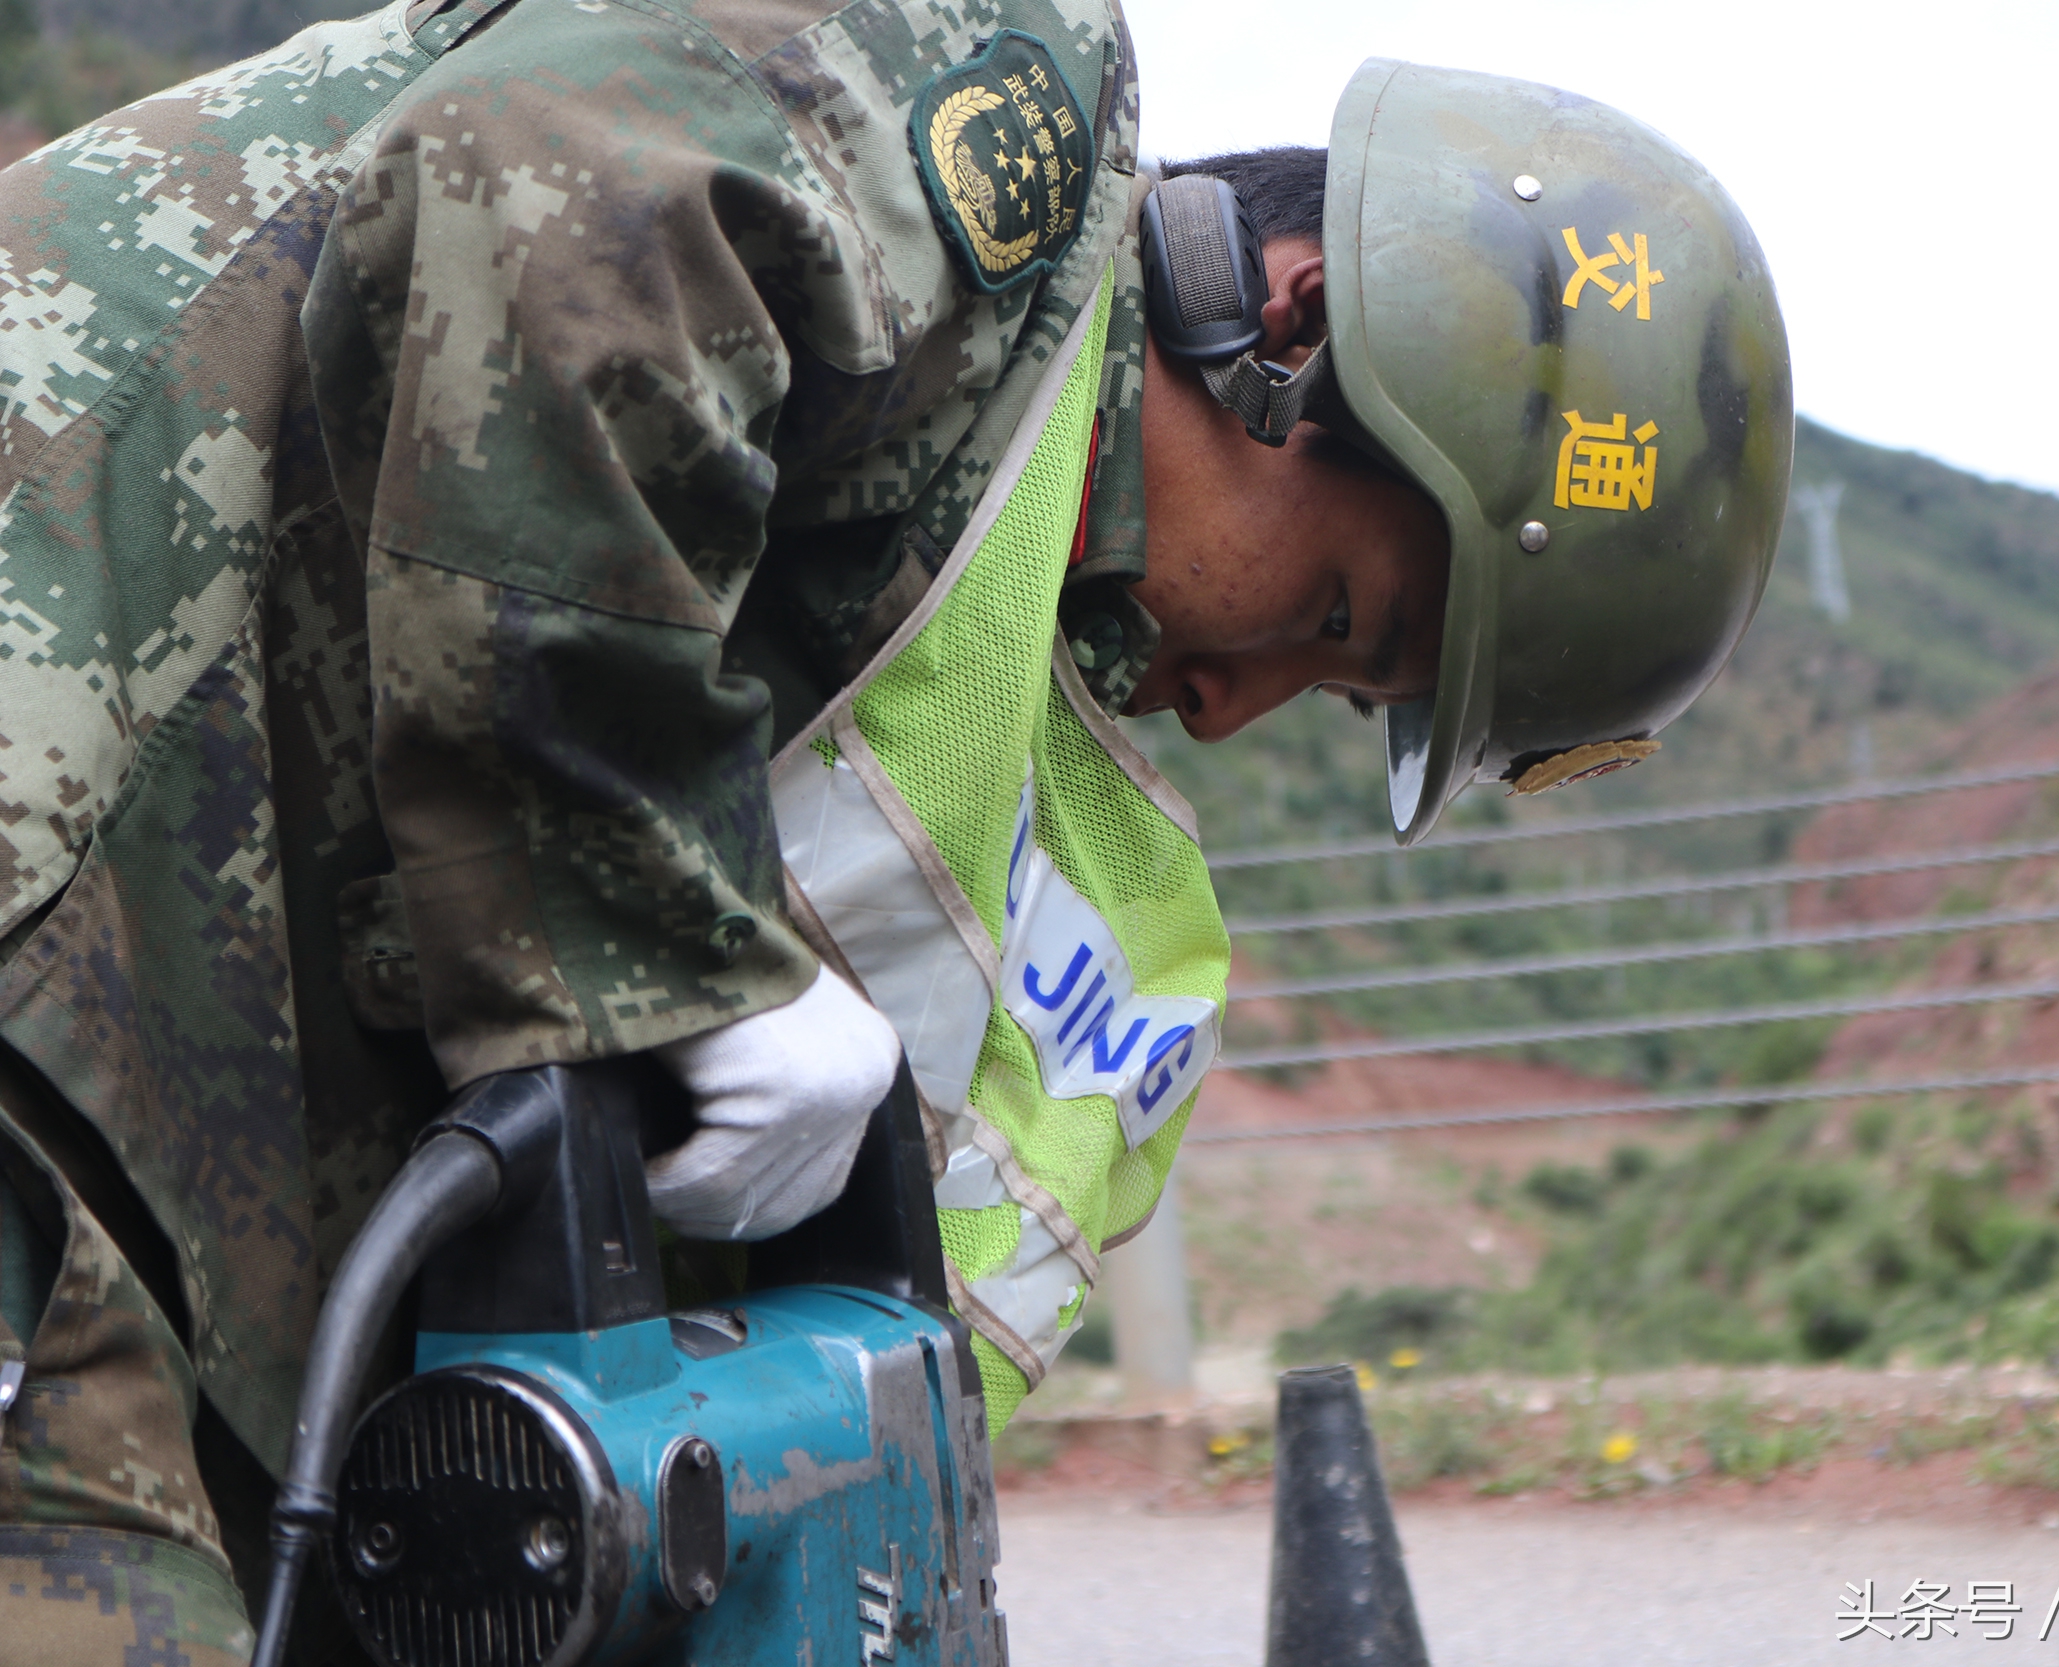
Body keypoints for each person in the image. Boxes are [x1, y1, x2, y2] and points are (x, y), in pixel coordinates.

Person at [0, 0, 1790, 1658]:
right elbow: (552, 199)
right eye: (1338, 622)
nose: (1238, 706)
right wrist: (670, 947)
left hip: (160, 1126)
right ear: (1296, 326)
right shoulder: (978, 70)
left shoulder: (994, 648)